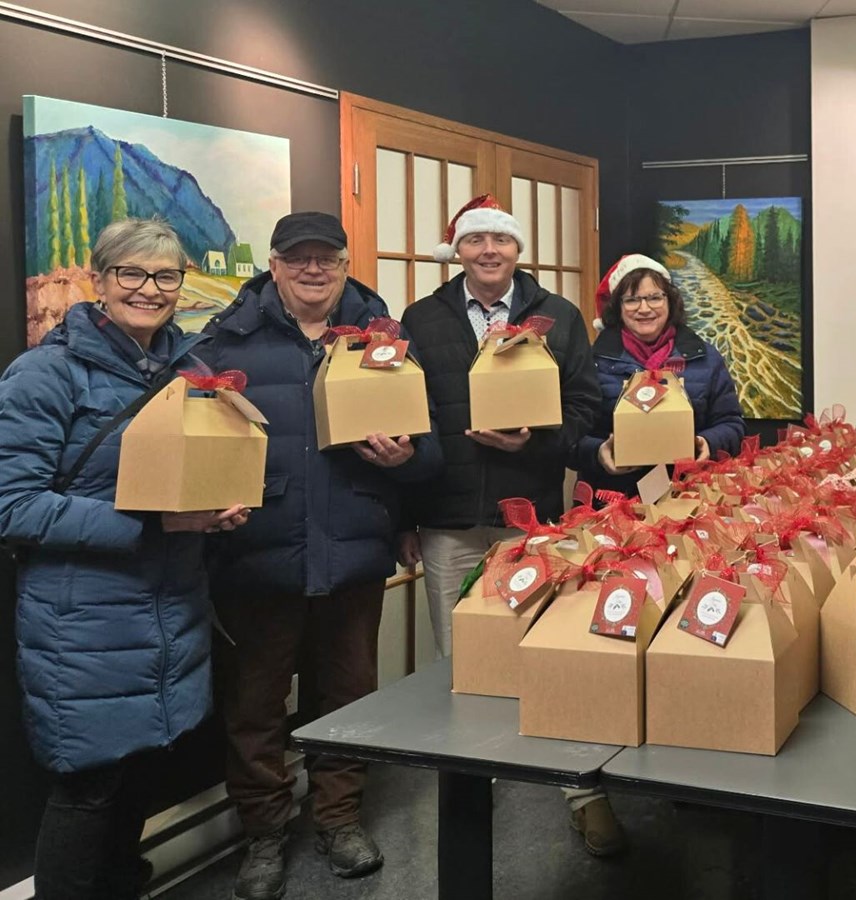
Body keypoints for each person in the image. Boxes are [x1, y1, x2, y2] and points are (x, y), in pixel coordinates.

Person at [0, 219, 249, 899]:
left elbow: (187, 483)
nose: (150, 289)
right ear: (99, 279)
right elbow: (12, 505)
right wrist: (150, 524)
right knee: (89, 785)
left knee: (137, 773)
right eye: (131, 273)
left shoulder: (190, 372)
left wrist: (217, 510)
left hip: (171, 607)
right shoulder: (46, 374)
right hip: (81, 619)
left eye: (166, 275)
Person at [202, 212, 443, 900]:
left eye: (326, 258)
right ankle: (265, 833)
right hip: (258, 554)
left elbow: (432, 455)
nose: (313, 269)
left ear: (344, 266)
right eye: (297, 257)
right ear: (273, 266)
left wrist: (404, 459)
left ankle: (338, 818)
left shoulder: (384, 340)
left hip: (353, 551)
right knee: (255, 707)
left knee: (347, 697)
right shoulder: (224, 342)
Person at [400, 195, 619, 854]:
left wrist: (537, 440)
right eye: (476, 240)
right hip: (448, 516)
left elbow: (585, 404)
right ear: (458, 251)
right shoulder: (422, 318)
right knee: (460, 658)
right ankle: (473, 779)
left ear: (518, 250)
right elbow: (408, 416)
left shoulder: (558, 316)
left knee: (552, 648)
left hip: (531, 516)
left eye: (501, 240)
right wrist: (404, 517)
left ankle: (580, 788)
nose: (489, 251)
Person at [572, 254, 744, 494]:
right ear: (618, 307)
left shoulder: (704, 358)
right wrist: (598, 452)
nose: (644, 309)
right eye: (632, 300)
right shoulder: (593, 361)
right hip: (612, 498)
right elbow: (570, 435)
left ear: (670, 301)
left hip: (689, 495)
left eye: (654, 298)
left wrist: (708, 444)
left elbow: (732, 423)